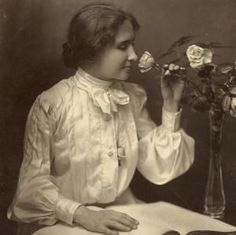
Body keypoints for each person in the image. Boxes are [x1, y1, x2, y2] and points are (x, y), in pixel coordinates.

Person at [7, 3, 194, 235]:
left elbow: (159, 169)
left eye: (132, 45)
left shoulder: (132, 96)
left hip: (125, 212)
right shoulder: (52, 103)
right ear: (93, 49)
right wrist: (83, 215)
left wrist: (171, 105)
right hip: (64, 220)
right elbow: (30, 188)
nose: (134, 56)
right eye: (123, 46)